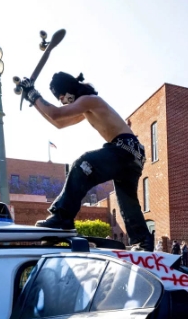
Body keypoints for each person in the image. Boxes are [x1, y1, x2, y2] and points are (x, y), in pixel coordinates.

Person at [18, 72, 153, 251]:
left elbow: (56, 114)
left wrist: (33, 94)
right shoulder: (88, 105)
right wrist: (34, 101)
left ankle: (62, 217)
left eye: (63, 98)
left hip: (124, 149)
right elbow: (58, 122)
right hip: (133, 155)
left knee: (82, 165)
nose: (64, 103)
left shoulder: (90, 100)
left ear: (69, 92)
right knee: (127, 200)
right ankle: (142, 240)